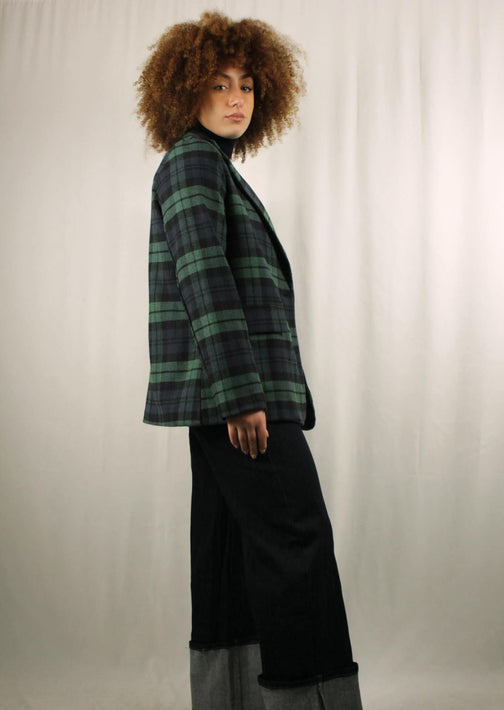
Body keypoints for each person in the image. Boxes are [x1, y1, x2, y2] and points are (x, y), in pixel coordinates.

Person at [135, 11, 363, 710]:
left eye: (247, 85)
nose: (236, 98)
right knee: (297, 541)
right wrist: (241, 394)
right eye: (218, 84)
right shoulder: (194, 162)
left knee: (229, 552)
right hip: (235, 397)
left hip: (222, 397)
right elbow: (204, 277)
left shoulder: (208, 166)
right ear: (185, 91)